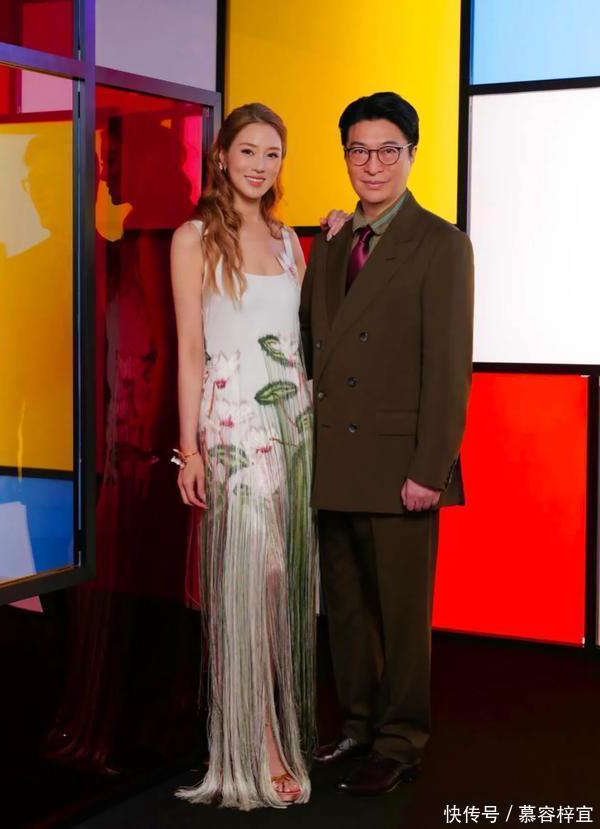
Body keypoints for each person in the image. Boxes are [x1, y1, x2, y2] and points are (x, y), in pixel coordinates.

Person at [170, 103, 345, 809]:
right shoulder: (193, 238)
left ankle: (279, 730)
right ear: (222, 156)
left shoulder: (287, 240)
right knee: (250, 581)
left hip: (293, 428)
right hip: (234, 429)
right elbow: (190, 350)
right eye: (248, 150)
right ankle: (255, 746)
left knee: (285, 584)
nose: (260, 165)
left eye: (273, 153)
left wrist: (336, 242)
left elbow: (306, 338)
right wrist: (188, 449)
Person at [300, 91, 474, 796]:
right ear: (345, 155)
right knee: (344, 606)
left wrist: (431, 467)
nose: (372, 164)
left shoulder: (441, 243)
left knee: (402, 613)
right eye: (359, 150)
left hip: (401, 462)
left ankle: (401, 740)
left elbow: (449, 367)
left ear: (411, 155)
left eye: (387, 150)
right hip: (336, 456)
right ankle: (359, 723)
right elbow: (313, 340)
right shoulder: (333, 241)